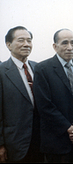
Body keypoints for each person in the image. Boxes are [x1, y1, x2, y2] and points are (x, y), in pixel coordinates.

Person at [33, 29, 73, 163]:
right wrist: (68, 128)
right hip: (57, 140)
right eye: (64, 43)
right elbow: (44, 105)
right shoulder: (43, 69)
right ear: (55, 46)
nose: (70, 47)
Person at [0, 26, 43, 163]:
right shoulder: (2, 72)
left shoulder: (39, 68)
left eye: (29, 41)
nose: (26, 44)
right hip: (15, 144)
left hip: (42, 141)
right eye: (21, 40)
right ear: (8, 45)